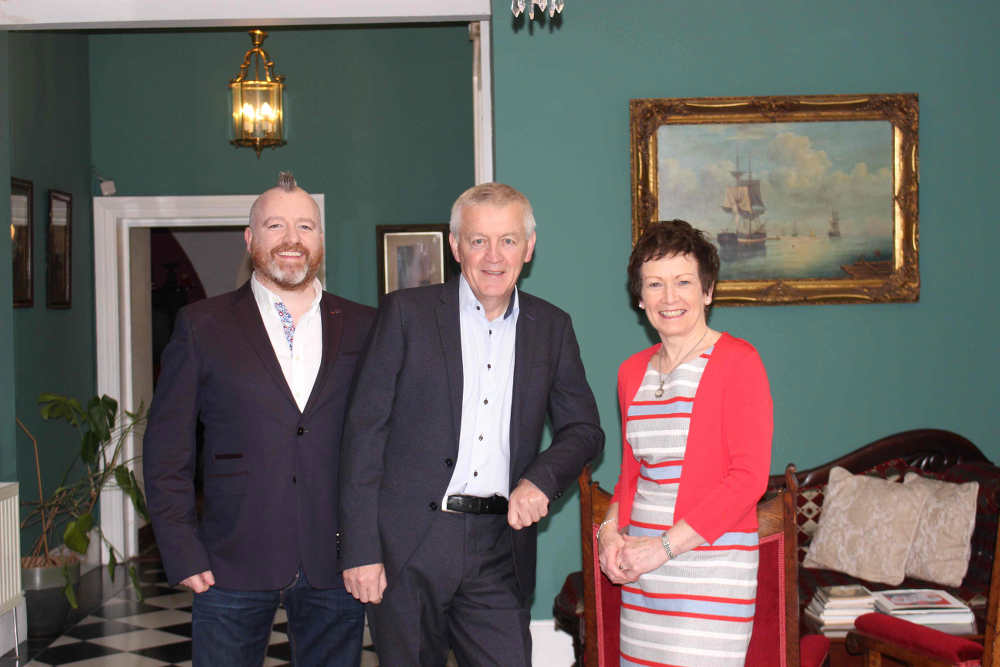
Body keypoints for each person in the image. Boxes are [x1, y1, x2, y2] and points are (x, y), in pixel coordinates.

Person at [339, 182, 604, 666]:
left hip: (499, 547)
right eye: (478, 240)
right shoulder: (406, 314)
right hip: (410, 545)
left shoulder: (552, 327)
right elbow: (364, 434)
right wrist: (360, 550)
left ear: (529, 247)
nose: (493, 256)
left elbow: (585, 429)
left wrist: (540, 481)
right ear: (456, 246)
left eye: (508, 240)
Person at [143, 172, 375, 667]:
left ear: (320, 240)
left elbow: (382, 444)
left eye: (306, 227)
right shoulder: (202, 325)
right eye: (275, 225)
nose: (292, 239)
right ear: (251, 240)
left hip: (335, 561)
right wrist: (180, 547)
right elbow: (167, 448)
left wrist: (371, 546)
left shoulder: (364, 325)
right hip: (229, 558)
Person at [598, 220, 772, 666]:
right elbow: (631, 475)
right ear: (640, 298)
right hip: (644, 576)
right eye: (655, 284)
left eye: (683, 282)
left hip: (710, 572)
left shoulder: (739, 361)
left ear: (707, 291)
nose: (669, 297)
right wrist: (609, 535)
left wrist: (664, 547)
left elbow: (748, 480)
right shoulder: (630, 372)